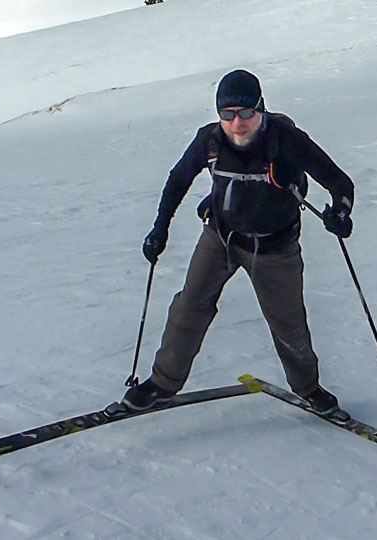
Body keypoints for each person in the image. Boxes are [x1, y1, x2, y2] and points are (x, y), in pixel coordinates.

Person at [122, 69, 354, 416]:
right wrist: (160, 228)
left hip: (275, 247)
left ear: (261, 109)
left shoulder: (286, 139)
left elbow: (340, 182)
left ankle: (308, 389)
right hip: (221, 237)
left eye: (246, 112)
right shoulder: (210, 141)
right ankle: (162, 384)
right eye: (227, 114)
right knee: (189, 307)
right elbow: (178, 180)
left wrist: (341, 212)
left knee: (287, 321)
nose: (238, 123)